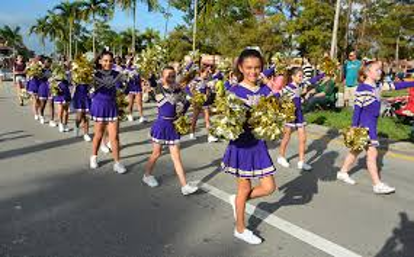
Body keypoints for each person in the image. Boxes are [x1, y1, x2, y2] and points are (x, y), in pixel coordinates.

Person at [223, 49, 278, 245]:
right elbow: (226, 121)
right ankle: (240, 228)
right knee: (244, 187)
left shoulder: (265, 90)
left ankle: (238, 200)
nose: (253, 72)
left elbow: (277, 110)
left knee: (269, 187)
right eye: (249, 68)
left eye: (257, 68)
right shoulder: (234, 91)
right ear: (240, 67)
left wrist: (274, 93)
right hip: (242, 145)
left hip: (259, 145)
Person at [337, 61, 414, 194]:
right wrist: (354, 128)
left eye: (380, 70)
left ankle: (343, 172)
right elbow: (357, 110)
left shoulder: (378, 86)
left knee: (356, 150)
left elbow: (396, 85)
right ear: (367, 72)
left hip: (372, 123)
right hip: (365, 125)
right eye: (377, 70)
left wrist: (412, 82)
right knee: (372, 153)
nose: (380, 72)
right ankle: (377, 184)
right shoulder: (362, 89)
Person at [143, 66, 199, 196]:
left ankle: (184, 186)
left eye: (173, 75)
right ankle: (146, 175)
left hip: (173, 126)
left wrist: (190, 100)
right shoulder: (158, 89)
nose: (171, 78)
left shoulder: (178, 90)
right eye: (168, 75)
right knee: (156, 153)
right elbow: (151, 81)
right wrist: (149, 70)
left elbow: (185, 105)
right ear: (162, 77)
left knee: (176, 157)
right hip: (161, 125)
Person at [276, 68, 325, 171]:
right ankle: (281, 156)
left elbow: (311, 80)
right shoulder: (289, 87)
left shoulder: (301, 84)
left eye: (302, 76)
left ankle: (301, 162)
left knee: (303, 138)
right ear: (293, 77)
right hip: (289, 114)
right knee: (286, 136)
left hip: (299, 113)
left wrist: (323, 75)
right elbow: (278, 94)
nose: (301, 78)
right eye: (299, 76)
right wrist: (267, 99)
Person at [89, 50, 127, 174]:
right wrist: (92, 87)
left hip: (112, 106)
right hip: (99, 106)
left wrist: (124, 83)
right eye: (105, 61)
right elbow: (89, 91)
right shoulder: (94, 74)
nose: (108, 63)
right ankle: (93, 157)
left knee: (114, 136)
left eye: (110, 61)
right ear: (100, 61)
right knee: (99, 134)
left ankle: (117, 163)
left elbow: (121, 88)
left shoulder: (117, 74)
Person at [186, 62, 219, 143]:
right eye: (206, 72)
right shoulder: (195, 80)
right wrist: (193, 95)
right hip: (197, 102)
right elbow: (187, 88)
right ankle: (192, 132)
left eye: (208, 72)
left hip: (205, 102)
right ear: (201, 72)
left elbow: (209, 88)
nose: (208, 74)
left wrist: (209, 91)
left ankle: (210, 136)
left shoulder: (208, 80)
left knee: (207, 119)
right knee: (195, 118)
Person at [125, 57, 146, 123]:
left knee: (139, 103)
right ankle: (130, 114)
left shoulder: (139, 69)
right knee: (130, 103)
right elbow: (125, 78)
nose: (134, 61)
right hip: (131, 88)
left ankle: (141, 116)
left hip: (138, 87)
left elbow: (142, 77)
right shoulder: (127, 69)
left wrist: (143, 79)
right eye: (132, 60)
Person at [37, 58, 56, 126]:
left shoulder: (53, 70)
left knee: (51, 104)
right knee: (43, 104)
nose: (47, 64)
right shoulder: (40, 70)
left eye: (48, 62)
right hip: (43, 87)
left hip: (51, 87)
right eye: (45, 62)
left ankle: (52, 120)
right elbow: (38, 77)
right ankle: (41, 115)